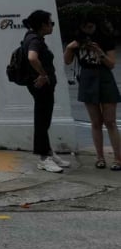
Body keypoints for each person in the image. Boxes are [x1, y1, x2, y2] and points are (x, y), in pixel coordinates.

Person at [64, 16, 121, 170]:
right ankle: (100, 157)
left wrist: (99, 52)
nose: (89, 29)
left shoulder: (105, 40)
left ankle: (118, 158)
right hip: (87, 79)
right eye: (86, 27)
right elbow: (67, 61)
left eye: (91, 26)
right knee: (95, 122)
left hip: (104, 78)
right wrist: (70, 48)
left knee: (110, 121)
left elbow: (111, 64)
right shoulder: (77, 42)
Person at [23, 9, 68, 173]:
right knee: (42, 121)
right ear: (43, 25)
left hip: (41, 86)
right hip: (41, 86)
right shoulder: (35, 40)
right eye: (51, 23)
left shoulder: (32, 37)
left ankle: (48, 151)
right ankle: (43, 157)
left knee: (44, 120)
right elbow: (32, 57)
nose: (52, 26)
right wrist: (43, 74)